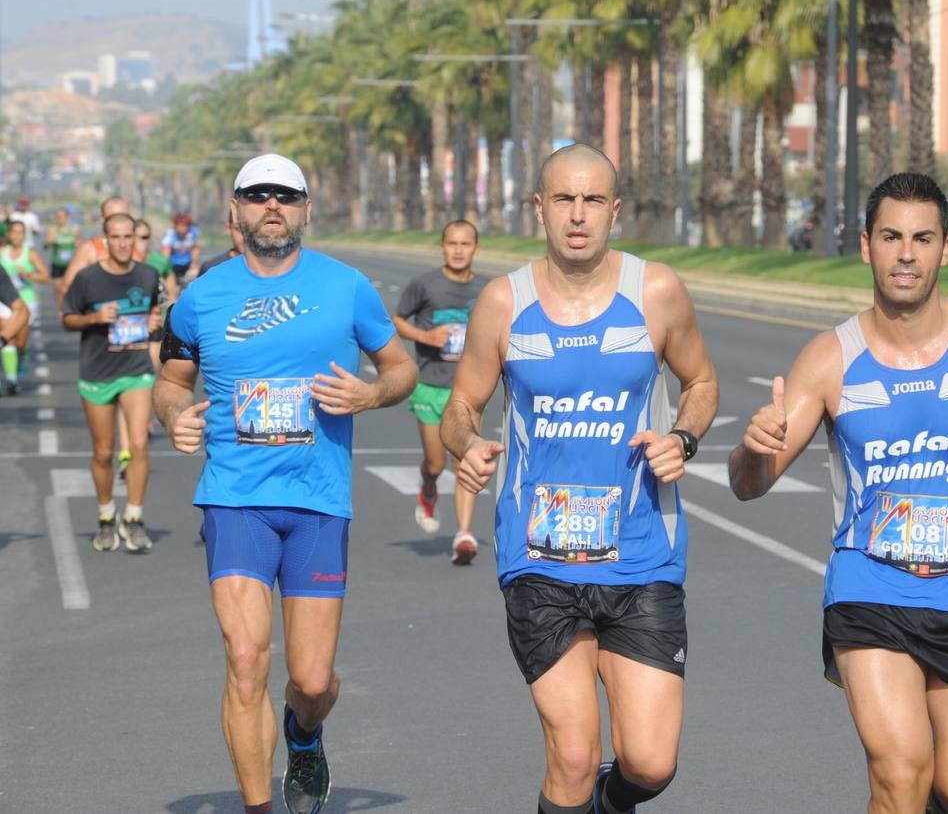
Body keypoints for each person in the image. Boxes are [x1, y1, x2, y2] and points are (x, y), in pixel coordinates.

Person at [727, 172, 948, 814]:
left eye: (922, 238)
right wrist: (753, 448)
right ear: (867, 246)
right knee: (901, 771)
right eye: (891, 237)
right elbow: (750, 486)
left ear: (946, 248)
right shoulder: (831, 358)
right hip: (871, 589)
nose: (906, 254)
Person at [444, 143, 718, 814]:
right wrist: (468, 445)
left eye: (592, 200)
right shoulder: (503, 302)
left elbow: (702, 381)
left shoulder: (655, 291)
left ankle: (610, 800)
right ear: (539, 208)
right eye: (563, 199)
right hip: (537, 559)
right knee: (570, 754)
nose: (577, 215)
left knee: (650, 763)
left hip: (642, 555)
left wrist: (683, 437)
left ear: (614, 211)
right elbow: (460, 407)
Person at [153, 153, 416, 814]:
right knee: (245, 659)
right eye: (258, 194)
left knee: (312, 678)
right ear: (235, 210)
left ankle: (304, 732)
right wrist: (174, 418)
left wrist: (371, 392)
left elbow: (401, 370)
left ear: (305, 209)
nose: (272, 205)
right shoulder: (203, 296)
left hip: (319, 502)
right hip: (236, 498)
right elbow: (169, 380)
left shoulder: (347, 286)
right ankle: (258, 807)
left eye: (286, 196)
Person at [61, 211, 165, 553]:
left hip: (135, 369)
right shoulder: (88, 279)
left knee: (137, 445)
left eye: (128, 237)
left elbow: (156, 312)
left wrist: (153, 322)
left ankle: (133, 517)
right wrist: (93, 317)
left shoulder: (148, 275)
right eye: (116, 237)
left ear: (135, 239)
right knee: (104, 452)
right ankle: (106, 517)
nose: (122, 243)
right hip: (97, 373)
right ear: (105, 240)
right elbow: (68, 318)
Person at [391, 219, 488, 561]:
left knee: (465, 460)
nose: (459, 250)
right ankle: (428, 489)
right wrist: (425, 337)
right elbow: (397, 319)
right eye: (452, 243)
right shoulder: (426, 285)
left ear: (476, 248)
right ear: (443, 246)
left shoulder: (488, 289)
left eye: (465, 244)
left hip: (468, 392)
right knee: (436, 463)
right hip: (430, 386)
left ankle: (464, 533)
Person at [2, 218, 51, 382]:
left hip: (27, 301)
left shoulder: (30, 253)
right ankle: (11, 378)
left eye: (21, 233)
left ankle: (21, 358)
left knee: (21, 342)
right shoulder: (2, 252)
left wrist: (29, 275)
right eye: (14, 232)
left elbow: (45, 276)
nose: (17, 236)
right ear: (9, 234)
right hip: (6, 302)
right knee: (9, 337)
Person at [0, 266, 31, 395]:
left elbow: (22, 311)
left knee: (20, 342)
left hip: (22, 299)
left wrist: (1, 340)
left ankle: (12, 378)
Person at [46, 205, 82, 309]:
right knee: (58, 288)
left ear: (67, 217)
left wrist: (78, 243)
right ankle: (60, 308)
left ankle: (72, 306)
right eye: (58, 217)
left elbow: (81, 244)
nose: (60, 219)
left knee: (70, 287)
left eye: (62, 216)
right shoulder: (53, 230)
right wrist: (49, 241)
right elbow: (45, 245)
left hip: (70, 264)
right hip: (57, 262)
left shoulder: (74, 229)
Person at [199, 211, 246, 275]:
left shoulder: (263, 271)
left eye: (251, 229)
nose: (244, 236)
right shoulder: (211, 269)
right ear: (228, 228)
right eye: (238, 229)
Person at [161, 211, 201, 283]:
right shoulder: (169, 234)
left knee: (196, 271)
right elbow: (165, 254)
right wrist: (166, 268)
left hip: (187, 263)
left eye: (185, 225)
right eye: (179, 225)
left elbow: (196, 249)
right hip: (173, 264)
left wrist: (194, 263)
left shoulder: (193, 232)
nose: (182, 228)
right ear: (175, 225)